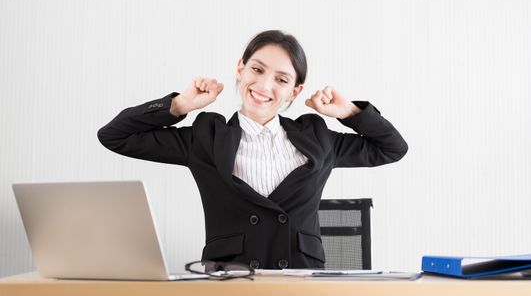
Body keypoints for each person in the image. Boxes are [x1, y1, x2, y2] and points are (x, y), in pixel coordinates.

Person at [97, 30, 408, 270]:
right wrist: (179, 105)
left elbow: (392, 148)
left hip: (300, 283)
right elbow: (114, 136)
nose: (264, 86)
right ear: (240, 69)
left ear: (294, 91)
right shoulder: (207, 137)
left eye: (281, 79)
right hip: (231, 280)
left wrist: (351, 113)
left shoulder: (317, 137)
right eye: (257, 70)